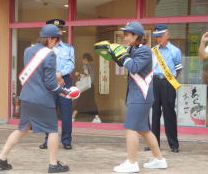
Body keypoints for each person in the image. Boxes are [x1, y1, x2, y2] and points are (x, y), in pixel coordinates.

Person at [0, 24, 79, 173]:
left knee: (22, 129)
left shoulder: (28, 50)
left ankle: (1, 158)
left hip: (26, 96)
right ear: (51, 39)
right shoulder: (50, 54)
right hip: (42, 99)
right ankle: (53, 164)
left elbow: (35, 75)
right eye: (56, 41)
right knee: (52, 130)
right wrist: (66, 92)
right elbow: (50, 83)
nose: (56, 44)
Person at [108, 21, 167, 173]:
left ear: (136, 36)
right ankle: (159, 160)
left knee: (130, 128)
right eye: (124, 34)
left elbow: (133, 67)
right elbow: (123, 63)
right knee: (144, 130)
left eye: (127, 35)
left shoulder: (144, 51)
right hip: (139, 95)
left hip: (142, 95)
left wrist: (122, 54)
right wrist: (113, 53)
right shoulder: (132, 48)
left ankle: (132, 163)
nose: (125, 37)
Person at [144, 24, 183, 153]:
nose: (158, 39)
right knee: (154, 114)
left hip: (168, 83)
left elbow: (178, 70)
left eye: (160, 36)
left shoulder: (175, 51)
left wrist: (169, 80)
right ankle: (153, 144)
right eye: (156, 37)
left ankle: (174, 144)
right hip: (155, 83)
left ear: (168, 35)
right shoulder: (153, 50)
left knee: (169, 113)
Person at [39, 19, 75, 150]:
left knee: (66, 112)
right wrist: (54, 75)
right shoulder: (44, 48)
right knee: (49, 112)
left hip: (65, 81)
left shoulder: (68, 48)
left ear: (62, 31)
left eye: (59, 29)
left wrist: (60, 74)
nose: (57, 31)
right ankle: (47, 139)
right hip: (49, 82)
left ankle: (66, 140)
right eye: (55, 29)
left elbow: (71, 64)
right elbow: (42, 65)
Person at [72, 53, 101, 123]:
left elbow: (86, 74)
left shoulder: (85, 65)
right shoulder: (92, 66)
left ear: (85, 59)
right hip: (91, 86)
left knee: (80, 101)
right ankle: (97, 117)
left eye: (82, 59)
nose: (82, 60)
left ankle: (72, 117)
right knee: (92, 102)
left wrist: (78, 74)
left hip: (86, 87)